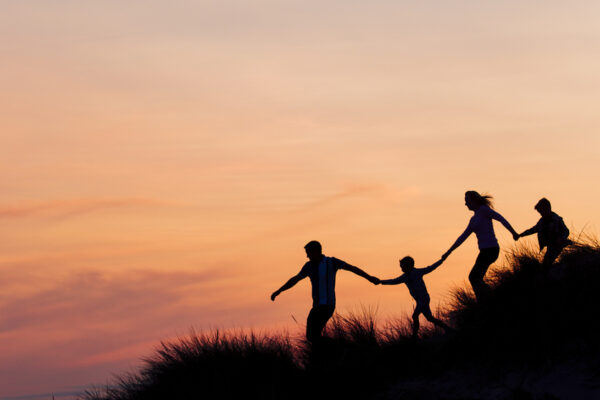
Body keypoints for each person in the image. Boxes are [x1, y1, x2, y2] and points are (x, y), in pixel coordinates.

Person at [270, 240, 380, 342]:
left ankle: (341, 347)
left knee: (313, 336)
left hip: (327, 306)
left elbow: (353, 268)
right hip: (317, 306)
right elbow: (295, 279)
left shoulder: (331, 262)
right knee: (312, 337)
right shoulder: (308, 266)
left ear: (316, 251)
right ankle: (335, 351)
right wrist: (279, 290)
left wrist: (370, 278)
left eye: (308, 252)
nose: (307, 256)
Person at [441, 191, 519, 301]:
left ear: (474, 200)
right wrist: (449, 252)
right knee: (475, 277)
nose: (465, 204)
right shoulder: (473, 220)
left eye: (467, 201)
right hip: (484, 251)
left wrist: (513, 232)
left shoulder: (484, 210)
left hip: (491, 249)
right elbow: (462, 237)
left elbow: (500, 218)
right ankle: (487, 299)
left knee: (474, 277)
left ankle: (487, 300)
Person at [378, 256, 452, 339]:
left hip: (424, 299)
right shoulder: (404, 277)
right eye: (401, 267)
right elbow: (393, 281)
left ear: (409, 266)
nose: (401, 269)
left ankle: (414, 336)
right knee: (429, 318)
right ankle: (448, 329)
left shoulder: (417, 272)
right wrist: (380, 282)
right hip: (420, 300)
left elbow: (431, 267)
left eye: (402, 266)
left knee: (415, 316)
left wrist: (442, 260)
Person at [518, 198, 570, 267]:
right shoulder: (542, 221)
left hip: (559, 246)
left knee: (546, 264)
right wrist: (520, 235)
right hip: (550, 246)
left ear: (547, 209)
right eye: (539, 212)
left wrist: (561, 238)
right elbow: (533, 229)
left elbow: (566, 231)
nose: (540, 214)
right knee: (546, 264)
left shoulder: (556, 219)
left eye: (541, 211)